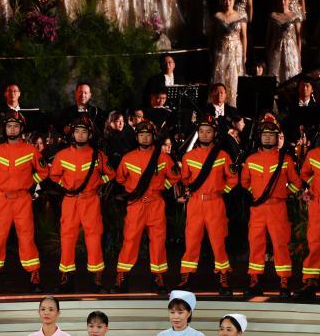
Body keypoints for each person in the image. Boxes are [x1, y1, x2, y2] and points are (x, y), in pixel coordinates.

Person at [0, 111, 47, 292]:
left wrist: (28, 181)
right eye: (9, 126)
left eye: (16, 126)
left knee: (26, 237)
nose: (12, 129)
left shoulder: (30, 150)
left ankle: (34, 274)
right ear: (5, 129)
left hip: (22, 199)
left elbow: (43, 172)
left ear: (21, 128)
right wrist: (1, 182)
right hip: (2, 199)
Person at [49, 115, 115, 292]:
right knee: (67, 238)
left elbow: (110, 174)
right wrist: (67, 187)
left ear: (90, 135)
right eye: (77, 131)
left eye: (83, 132)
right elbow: (54, 176)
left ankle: (97, 279)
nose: (79, 135)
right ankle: (66, 278)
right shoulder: (62, 155)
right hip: (70, 201)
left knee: (93, 237)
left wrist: (96, 184)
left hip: (90, 200)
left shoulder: (98, 156)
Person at [112, 120, 179, 294]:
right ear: (136, 137)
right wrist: (132, 191)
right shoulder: (128, 158)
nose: (144, 138)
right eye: (141, 135)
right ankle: (122, 277)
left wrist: (161, 188)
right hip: (136, 204)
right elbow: (120, 179)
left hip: (156, 203)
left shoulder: (163, 157)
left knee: (158, 242)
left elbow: (174, 177)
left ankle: (158, 278)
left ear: (153, 137)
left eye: (148, 135)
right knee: (130, 241)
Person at [178, 114, 238, 295]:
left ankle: (223, 277)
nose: (204, 135)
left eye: (208, 132)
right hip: (195, 203)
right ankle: (186, 276)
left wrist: (221, 192)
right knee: (191, 241)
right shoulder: (188, 157)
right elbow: (184, 180)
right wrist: (186, 192)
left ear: (214, 134)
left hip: (215, 203)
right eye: (201, 131)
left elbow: (233, 179)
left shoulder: (222, 155)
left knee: (218, 242)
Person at [241, 117, 300, 298]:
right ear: (260, 137)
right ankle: (255, 281)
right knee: (256, 244)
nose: (267, 138)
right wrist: (256, 194)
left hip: (278, 208)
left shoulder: (286, 160)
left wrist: (283, 192)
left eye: (271, 135)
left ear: (277, 138)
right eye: (264, 135)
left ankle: (284, 283)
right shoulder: (251, 159)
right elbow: (245, 182)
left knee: (280, 245)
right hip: (258, 209)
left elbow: (297, 183)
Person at [212, 0, 247, 106]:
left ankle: (233, 105)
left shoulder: (240, 16)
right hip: (222, 50)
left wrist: (244, 54)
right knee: (220, 75)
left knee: (234, 77)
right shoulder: (218, 16)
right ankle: (219, 105)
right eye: (225, 0)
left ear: (234, 1)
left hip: (236, 51)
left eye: (230, 0)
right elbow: (214, 36)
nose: (227, 2)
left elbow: (244, 37)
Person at [298, 136, 320, 299]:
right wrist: (315, 186)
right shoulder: (314, 154)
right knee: (315, 242)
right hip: (318, 203)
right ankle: (310, 281)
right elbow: (305, 173)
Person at [266, 0, 301, 85]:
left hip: (291, 48)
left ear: (289, 1)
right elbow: (269, 35)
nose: (283, 1)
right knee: (276, 72)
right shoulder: (273, 16)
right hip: (276, 47)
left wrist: (299, 52)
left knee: (290, 72)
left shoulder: (294, 16)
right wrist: (268, 50)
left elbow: (298, 36)